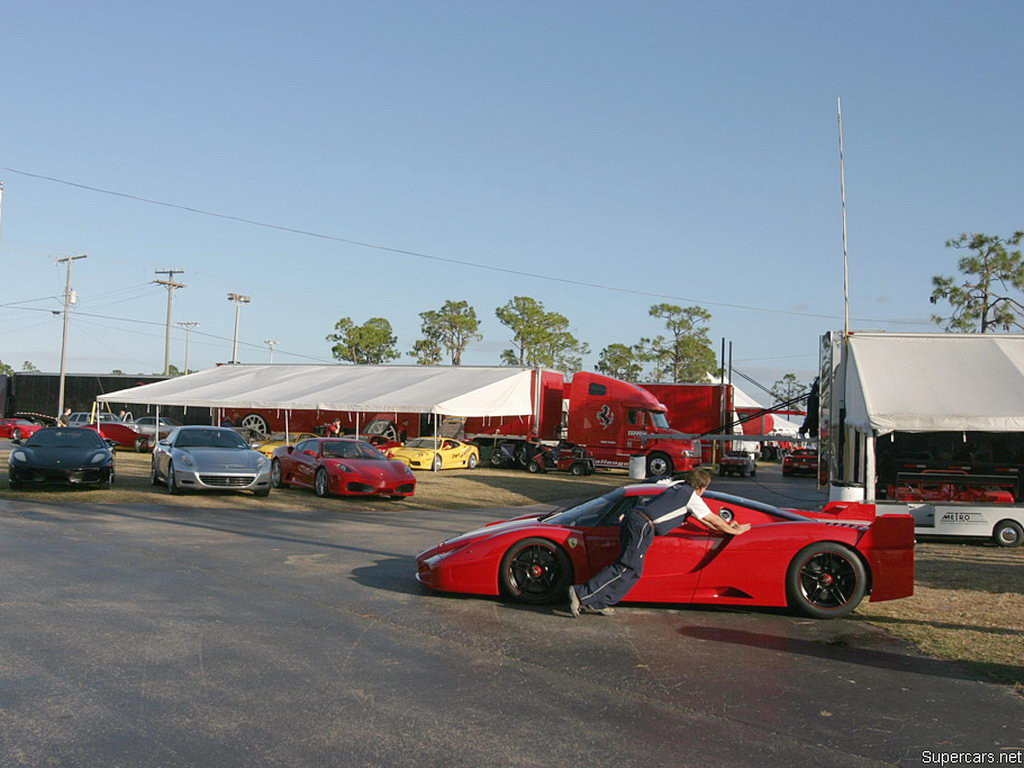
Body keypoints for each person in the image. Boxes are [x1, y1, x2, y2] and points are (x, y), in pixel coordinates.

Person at [567, 468, 750, 617]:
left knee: (632, 569)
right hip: (643, 526)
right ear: (702, 487)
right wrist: (735, 530)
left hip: (635, 519)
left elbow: (705, 520)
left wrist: (726, 526)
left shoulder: (679, 487)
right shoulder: (692, 497)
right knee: (627, 567)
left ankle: (599, 601)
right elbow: (711, 518)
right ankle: (582, 593)